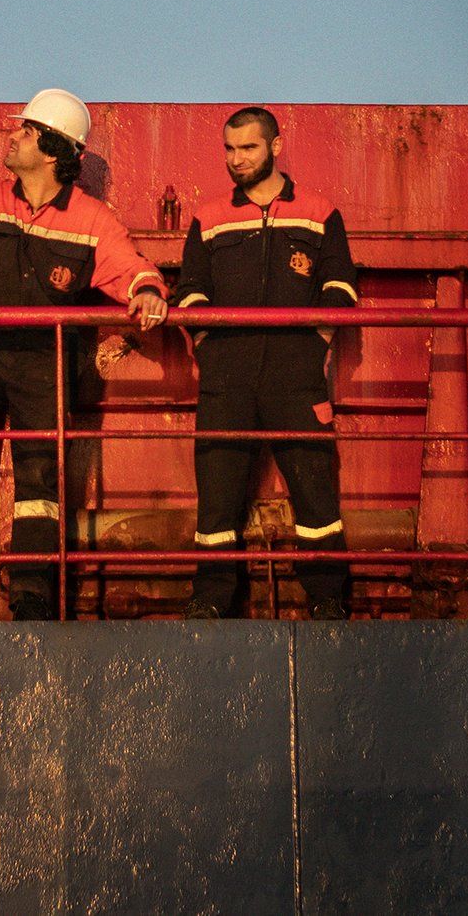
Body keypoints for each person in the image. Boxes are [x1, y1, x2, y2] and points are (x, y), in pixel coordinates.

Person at [0, 89, 167, 619]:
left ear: (49, 148)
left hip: (47, 361)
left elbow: (128, 266)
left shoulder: (92, 220)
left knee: (38, 481)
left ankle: (32, 594)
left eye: (23, 130)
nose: (12, 136)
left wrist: (148, 291)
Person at [174, 107, 360, 619]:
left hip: (295, 378)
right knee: (217, 496)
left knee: (315, 489)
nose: (236, 160)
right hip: (225, 380)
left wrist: (311, 345)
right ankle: (210, 601)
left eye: (248, 148)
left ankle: (327, 598)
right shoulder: (209, 216)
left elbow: (340, 287)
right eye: (229, 150)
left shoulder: (320, 212)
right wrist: (212, 348)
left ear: (276, 147)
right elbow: (189, 293)